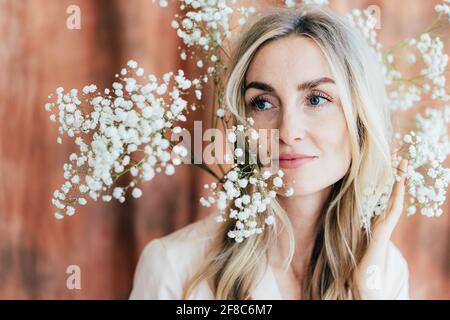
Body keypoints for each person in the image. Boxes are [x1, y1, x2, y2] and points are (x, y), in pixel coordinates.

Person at [129, 4, 409, 300]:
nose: (288, 132)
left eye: (316, 99)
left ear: (360, 118)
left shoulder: (384, 269)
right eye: (262, 103)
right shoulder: (173, 267)